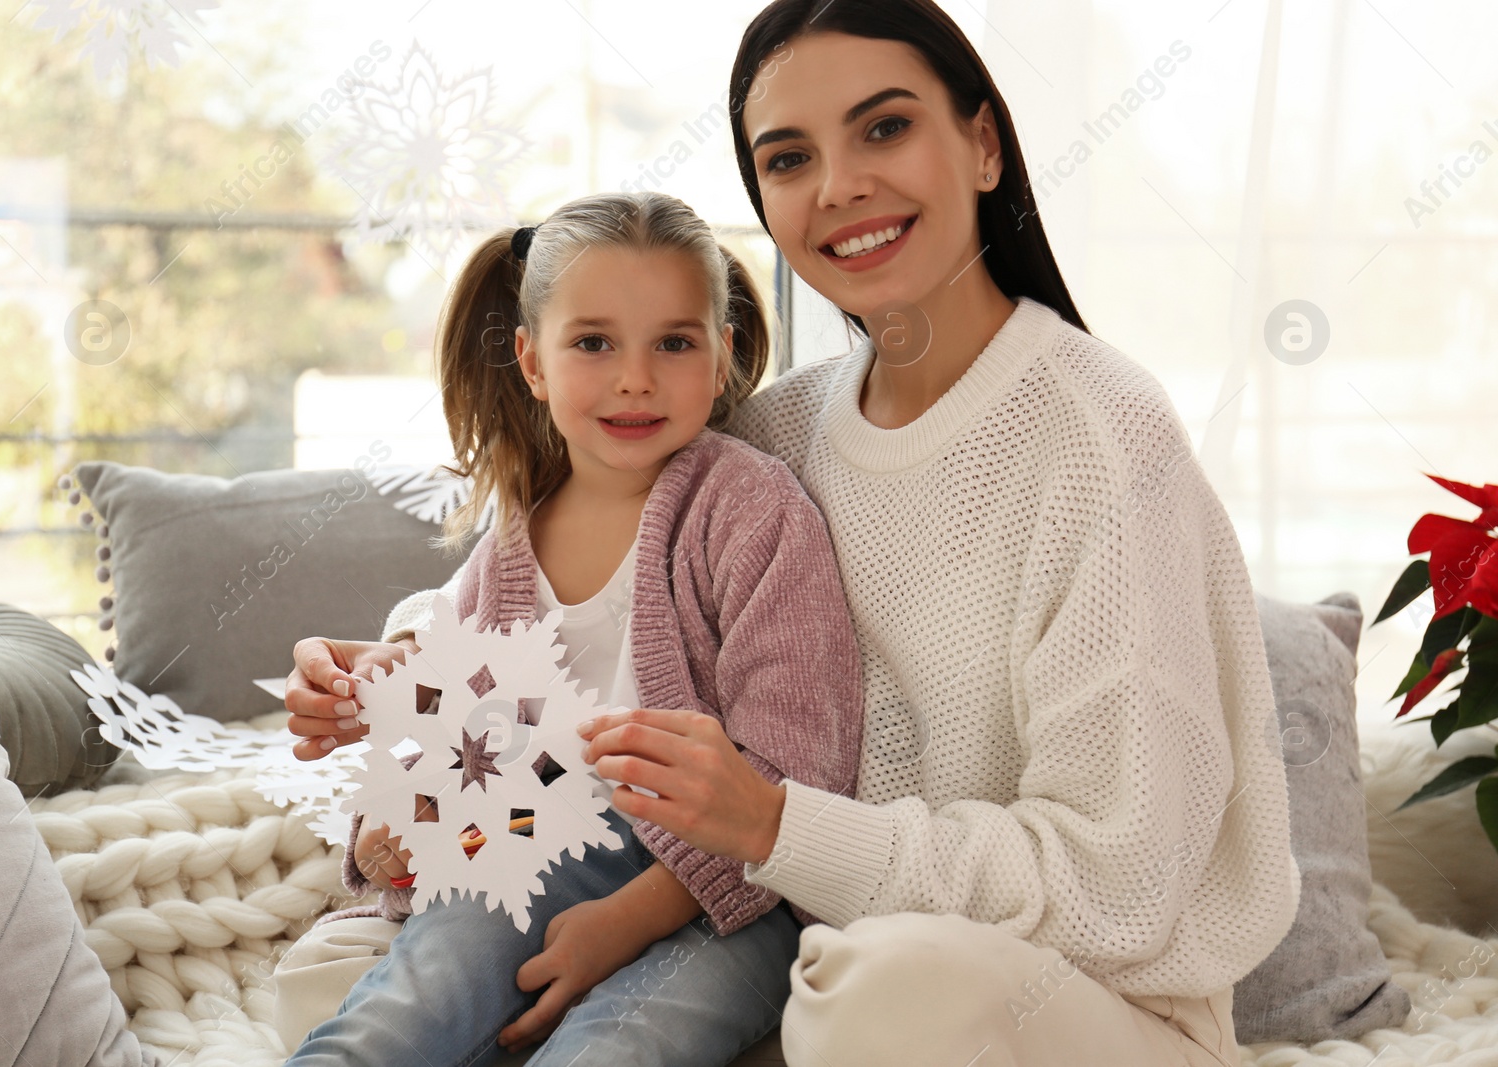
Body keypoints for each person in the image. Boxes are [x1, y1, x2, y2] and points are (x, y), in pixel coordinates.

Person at [567, 2, 1300, 1065]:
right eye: (787, 158)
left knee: (883, 992)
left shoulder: (1102, 438)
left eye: (883, 128)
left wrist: (777, 826)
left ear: (984, 144)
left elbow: (1116, 886)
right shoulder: (765, 437)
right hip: (801, 966)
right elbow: (576, 581)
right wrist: (396, 675)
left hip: (1083, 1007)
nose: (838, 188)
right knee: (399, 954)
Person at [276, 190, 863, 1066]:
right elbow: (450, 734)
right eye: (594, 342)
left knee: (615, 1047)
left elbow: (797, 769)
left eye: (675, 341)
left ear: (723, 351)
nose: (636, 376)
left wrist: (626, 920)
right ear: (533, 360)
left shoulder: (751, 509)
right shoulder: (512, 540)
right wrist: (396, 832)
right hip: (530, 840)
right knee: (403, 1010)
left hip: (731, 898)